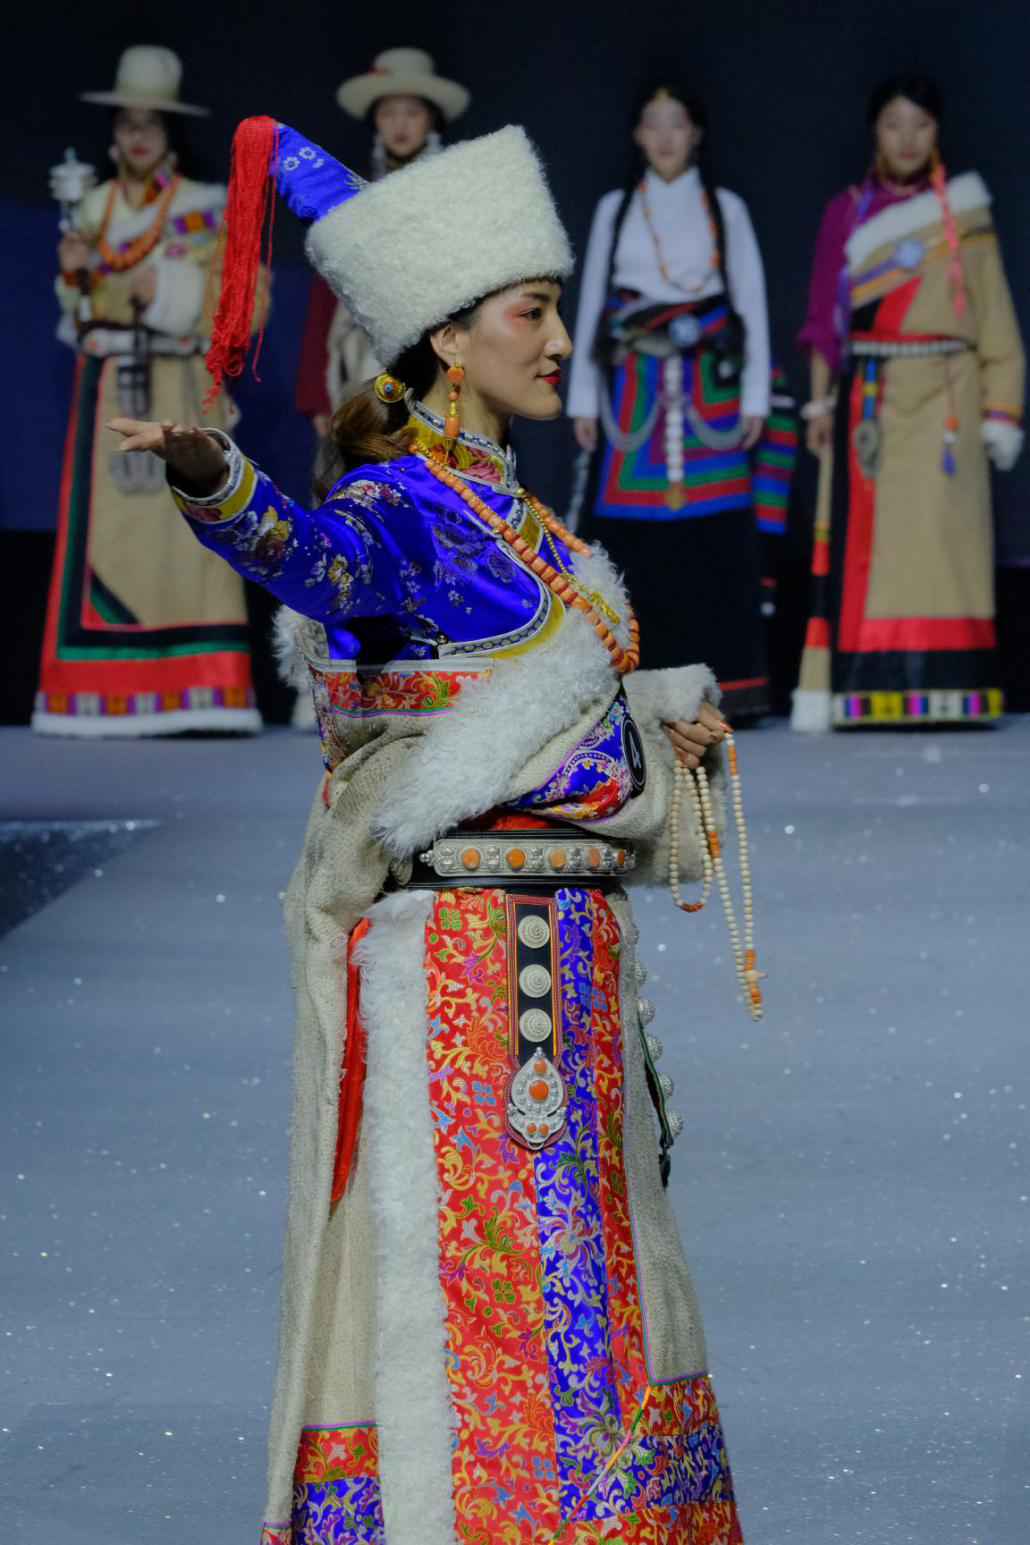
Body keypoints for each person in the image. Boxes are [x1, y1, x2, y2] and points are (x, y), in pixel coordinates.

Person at [110, 115, 746, 1543]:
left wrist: (656, 718)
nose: (558, 338)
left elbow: (529, 695)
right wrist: (220, 486)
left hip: (568, 953)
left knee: (589, 1271)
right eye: (532, 312)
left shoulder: (511, 507)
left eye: (557, 309)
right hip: (465, 967)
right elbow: (319, 564)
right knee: (486, 1287)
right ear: (447, 339)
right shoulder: (399, 502)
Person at [34, 45, 260, 737]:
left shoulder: (204, 208)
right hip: (110, 388)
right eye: (127, 122)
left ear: (170, 133)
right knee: (112, 534)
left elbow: (246, 303)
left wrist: (167, 290)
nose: (137, 135)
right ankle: (105, 685)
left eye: (151, 123)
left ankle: (202, 683)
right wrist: (75, 277)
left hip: (181, 384)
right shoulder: (91, 209)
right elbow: (78, 313)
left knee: (188, 530)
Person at [793, 74, 1024, 731]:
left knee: (946, 545)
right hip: (870, 402)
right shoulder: (847, 212)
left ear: (936, 131)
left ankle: (953, 686)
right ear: (876, 130)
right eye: (894, 124)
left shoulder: (965, 217)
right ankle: (869, 686)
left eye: (920, 125)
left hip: (949, 401)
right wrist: (819, 405)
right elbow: (823, 321)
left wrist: (1001, 412)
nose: (907, 138)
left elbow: (997, 323)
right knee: (874, 555)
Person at [568, 79, 792, 720]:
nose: (665, 137)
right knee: (631, 538)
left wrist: (755, 395)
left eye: (677, 123)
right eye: (653, 123)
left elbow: (749, 301)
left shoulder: (724, 207)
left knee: (717, 535)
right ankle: (636, 686)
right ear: (638, 135)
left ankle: (731, 687)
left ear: (695, 134)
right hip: (633, 389)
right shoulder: (617, 208)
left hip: (709, 385)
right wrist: (584, 398)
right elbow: (593, 306)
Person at [293, 48, 470, 438]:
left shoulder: (456, 188)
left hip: (442, 356)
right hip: (367, 360)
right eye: (388, 113)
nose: (399, 125)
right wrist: (316, 395)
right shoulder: (350, 193)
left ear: (432, 117)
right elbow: (325, 295)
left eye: (412, 112)